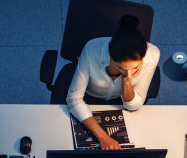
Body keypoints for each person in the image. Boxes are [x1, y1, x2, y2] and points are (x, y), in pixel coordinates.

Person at [67, 15, 160, 150]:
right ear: (111, 56)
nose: (128, 73)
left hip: (120, 102)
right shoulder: (92, 48)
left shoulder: (152, 55)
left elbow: (133, 105)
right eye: (120, 68)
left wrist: (126, 82)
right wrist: (103, 137)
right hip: (90, 95)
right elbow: (74, 99)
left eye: (135, 68)